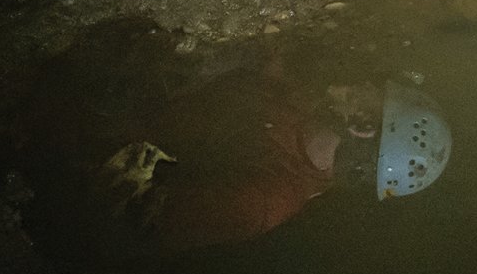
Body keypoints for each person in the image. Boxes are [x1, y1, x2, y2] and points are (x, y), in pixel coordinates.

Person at [102, 80, 452, 251]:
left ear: (361, 129)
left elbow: (117, 217)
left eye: (357, 96)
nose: (342, 87)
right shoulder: (306, 108)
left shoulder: (260, 200)